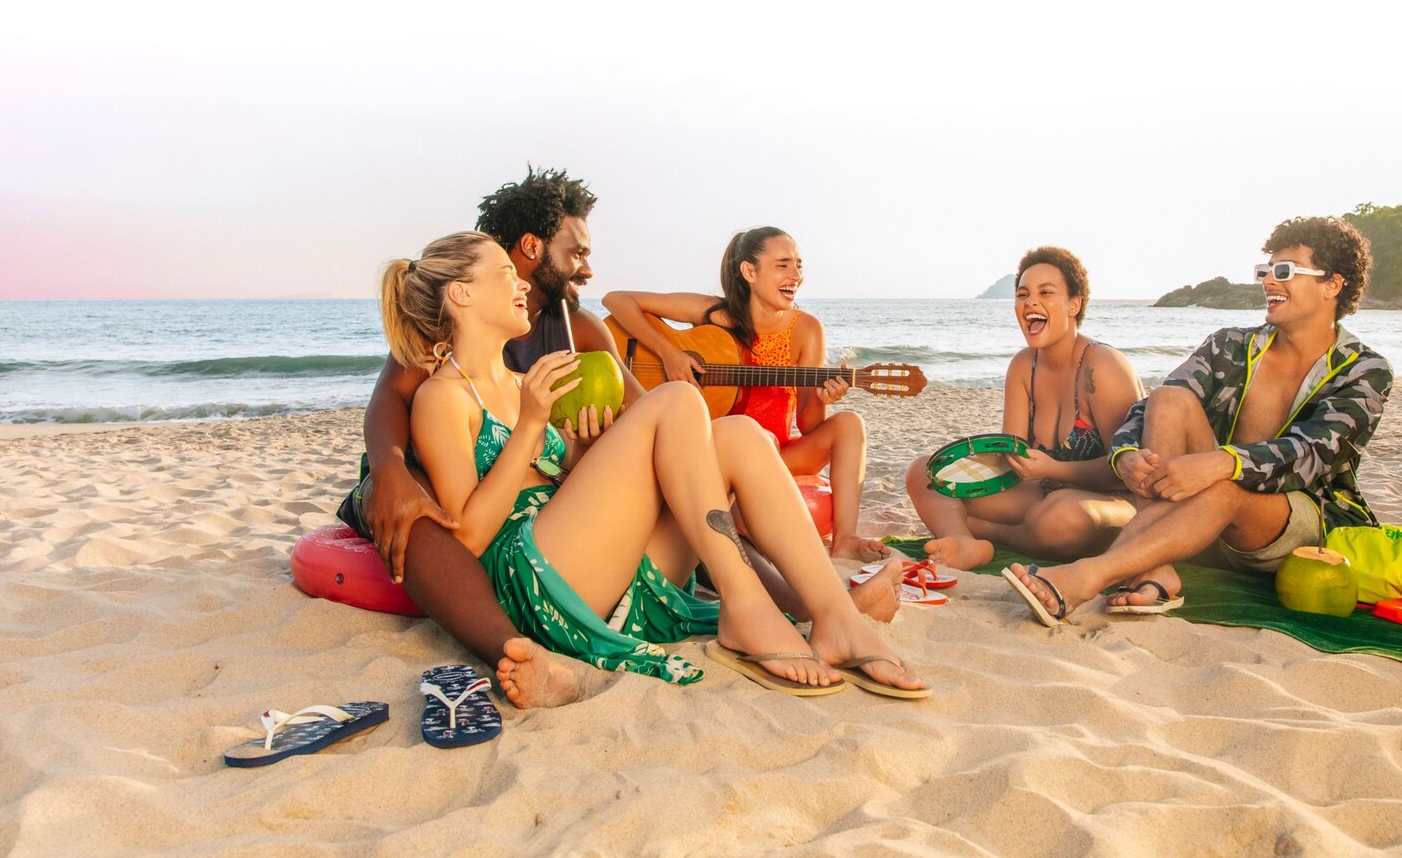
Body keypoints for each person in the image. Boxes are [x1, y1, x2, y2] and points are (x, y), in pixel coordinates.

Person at [339, 172, 902, 708]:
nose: (519, 284)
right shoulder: (444, 397)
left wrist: (585, 448)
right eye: (503, 275)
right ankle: (745, 605)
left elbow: (566, 478)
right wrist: (534, 424)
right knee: (679, 400)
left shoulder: (529, 375)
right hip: (537, 580)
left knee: (739, 434)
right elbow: (471, 537)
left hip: (592, 560)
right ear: (461, 296)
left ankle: (834, 616)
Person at [1005, 216, 1393, 622]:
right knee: (1171, 399)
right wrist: (1123, 457)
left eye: (1284, 272)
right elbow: (1147, 406)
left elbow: (1314, 451)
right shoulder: (1230, 345)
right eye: (1265, 271)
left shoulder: (1364, 371)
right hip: (1196, 524)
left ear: (1333, 284)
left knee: (1225, 488)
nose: (1268, 282)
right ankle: (1156, 570)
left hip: (1297, 529)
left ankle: (1088, 576)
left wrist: (1222, 462)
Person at [602, 227, 887, 562]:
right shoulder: (714, 313)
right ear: (750, 272)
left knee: (849, 423)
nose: (795, 275)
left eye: (799, 265)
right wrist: (669, 354)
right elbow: (616, 300)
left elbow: (809, 425)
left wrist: (822, 399)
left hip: (777, 455)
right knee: (754, 435)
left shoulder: (807, 330)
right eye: (783, 265)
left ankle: (844, 539)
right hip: (712, 455)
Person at [903, 247, 1144, 569]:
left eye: (1046, 292)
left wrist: (1053, 469)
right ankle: (963, 541)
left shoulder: (1103, 366)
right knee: (925, 472)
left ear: (1075, 303)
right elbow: (1010, 461)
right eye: (1023, 294)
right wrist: (976, 461)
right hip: (1038, 493)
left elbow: (1125, 473)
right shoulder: (1022, 366)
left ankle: (983, 532)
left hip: (1110, 502)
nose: (1030, 302)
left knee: (1058, 516)